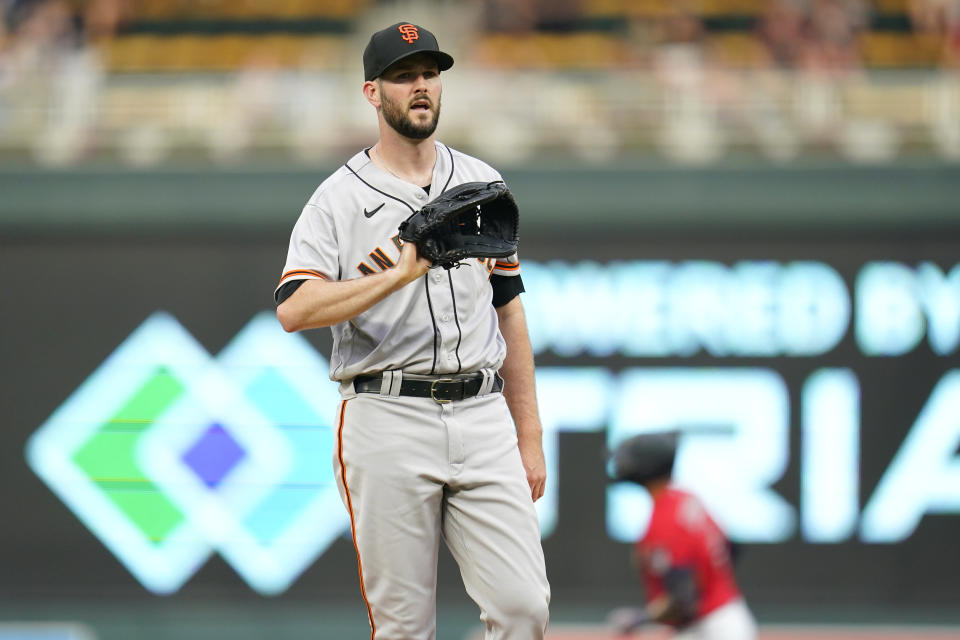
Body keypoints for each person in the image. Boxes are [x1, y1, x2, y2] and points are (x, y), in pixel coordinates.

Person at [273, 21, 550, 640]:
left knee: (523, 608)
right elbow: (294, 307)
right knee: (404, 629)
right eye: (403, 76)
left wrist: (528, 436)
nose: (420, 86)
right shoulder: (338, 199)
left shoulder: (481, 182)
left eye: (429, 73)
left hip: (481, 413)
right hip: (387, 413)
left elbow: (510, 310)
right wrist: (397, 276)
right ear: (373, 92)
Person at [607, 432, 756, 640]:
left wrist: (640, 618)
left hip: (708, 628)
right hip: (729, 617)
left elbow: (683, 601)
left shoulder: (664, 520)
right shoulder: (685, 498)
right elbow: (731, 549)